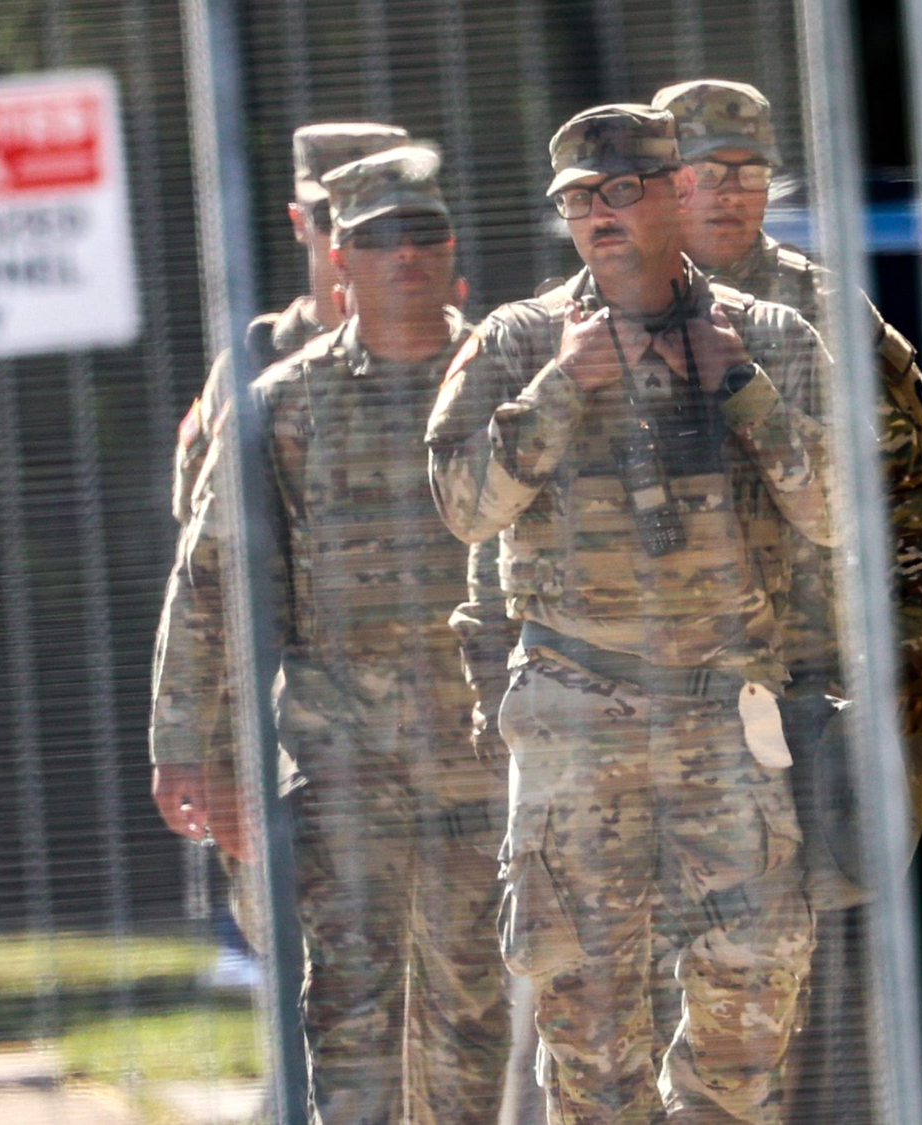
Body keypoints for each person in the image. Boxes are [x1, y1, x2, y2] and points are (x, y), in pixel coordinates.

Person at [426, 105, 832, 1125]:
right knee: (588, 1034)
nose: (596, 215)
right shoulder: (516, 343)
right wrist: (564, 387)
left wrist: (738, 384)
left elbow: (837, 510)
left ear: (672, 195)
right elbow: (461, 505)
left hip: (723, 717)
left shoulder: (769, 337)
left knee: (750, 1001)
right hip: (575, 707)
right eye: (575, 200)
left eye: (618, 191)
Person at [156, 145, 509, 1125]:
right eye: (373, 238)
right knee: (349, 1028)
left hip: (485, 774)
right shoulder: (280, 405)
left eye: (422, 234)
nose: (403, 255)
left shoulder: (511, 385)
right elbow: (212, 588)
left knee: (469, 1036)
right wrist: (188, 746)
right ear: (336, 262)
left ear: (451, 255)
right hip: (342, 773)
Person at [650, 76, 922, 1123]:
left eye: (745, 172)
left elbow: (912, 491)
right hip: (655, 708)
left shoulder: (829, 316)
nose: (724, 193)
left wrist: (913, 650)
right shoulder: (593, 318)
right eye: (696, 172)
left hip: (815, 696)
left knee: (828, 981)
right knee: (659, 991)